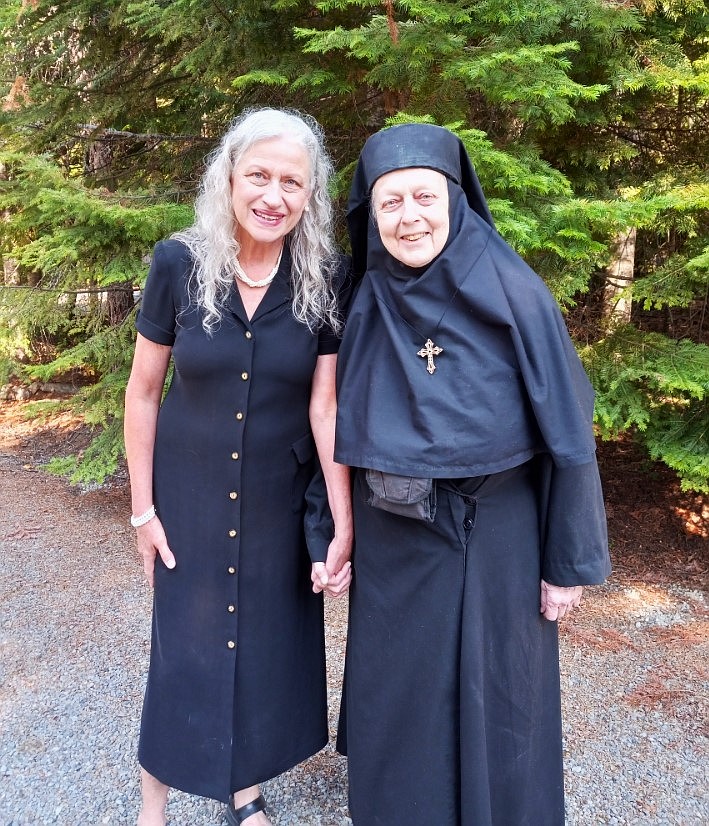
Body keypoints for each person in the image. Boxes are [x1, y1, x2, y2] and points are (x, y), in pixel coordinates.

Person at [334, 123, 611, 825]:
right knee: (400, 702)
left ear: (455, 200)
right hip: (392, 540)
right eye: (389, 203)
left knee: (502, 703)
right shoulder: (361, 299)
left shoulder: (513, 289)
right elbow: (326, 428)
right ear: (370, 214)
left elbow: (568, 432)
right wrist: (325, 533)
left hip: (498, 537)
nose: (408, 217)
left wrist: (567, 561)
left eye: (423, 196)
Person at [123, 107, 352, 826]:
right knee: (183, 651)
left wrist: (341, 523)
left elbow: (325, 409)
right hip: (186, 497)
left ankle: (242, 790)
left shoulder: (326, 280)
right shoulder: (179, 264)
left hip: (275, 502)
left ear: (309, 197)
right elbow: (141, 391)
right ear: (228, 178)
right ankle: (151, 807)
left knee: (256, 652)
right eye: (259, 175)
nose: (273, 195)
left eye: (292, 182)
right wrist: (142, 508)